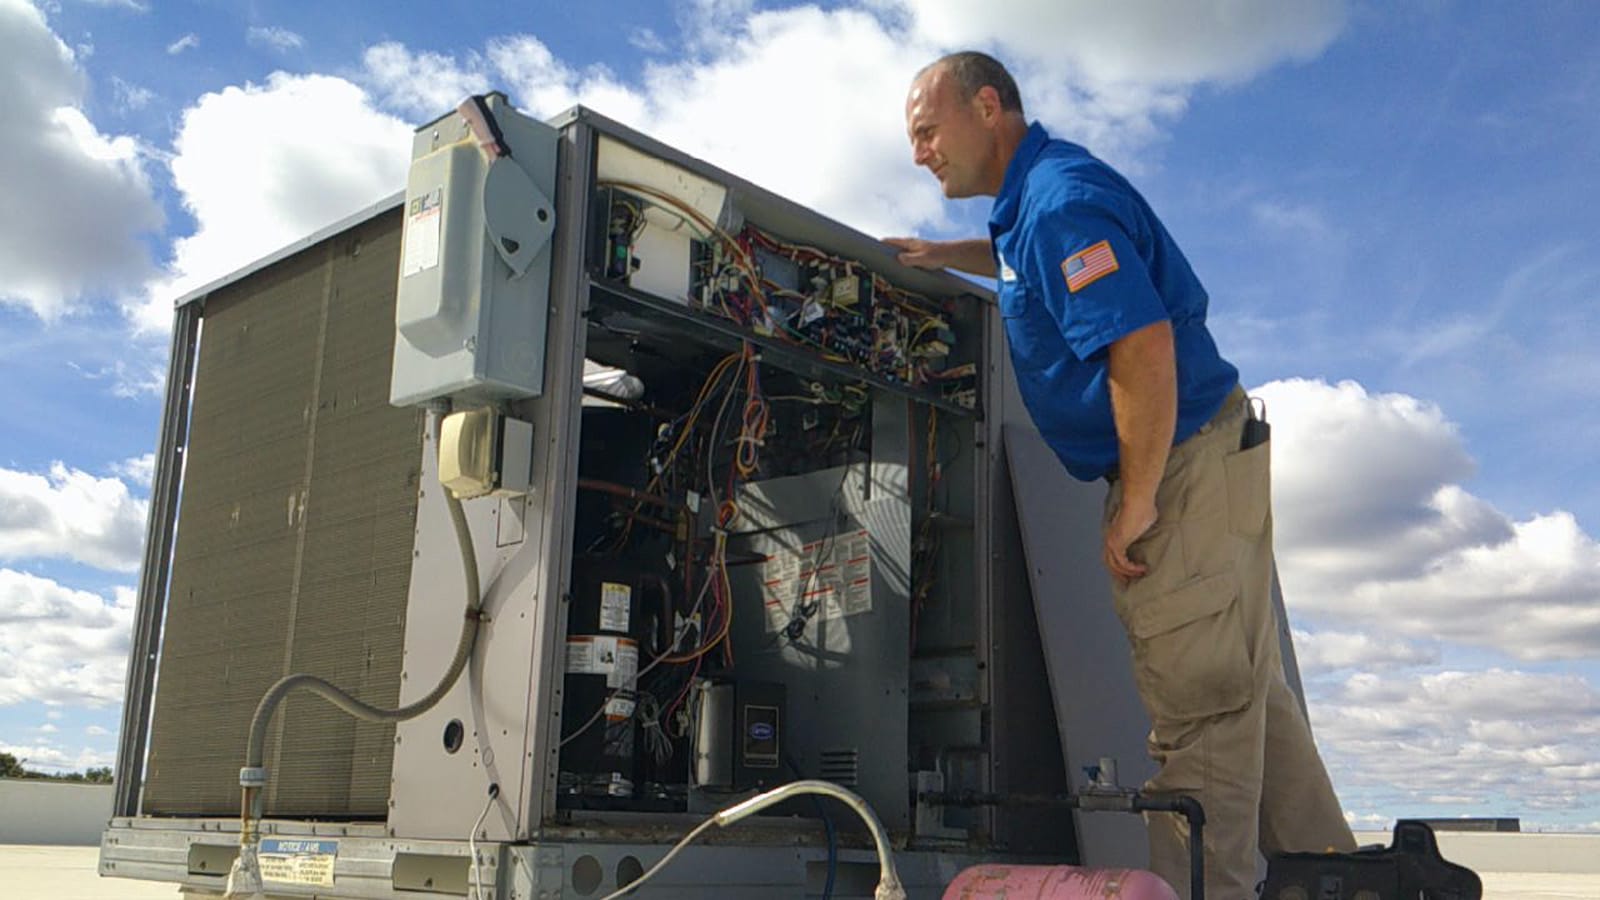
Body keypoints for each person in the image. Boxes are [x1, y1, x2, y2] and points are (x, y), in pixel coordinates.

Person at [886, 52, 1357, 898]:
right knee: (1251, 699)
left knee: (1202, 720)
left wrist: (1137, 500)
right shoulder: (1032, 207)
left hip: (1177, 468)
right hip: (1212, 452)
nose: (918, 152)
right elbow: (1022, 256)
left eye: (926, 130)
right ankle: (1351, 885)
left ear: (988, 106)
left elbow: (1141, 346)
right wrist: (942, 254)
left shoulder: (1062, 203)